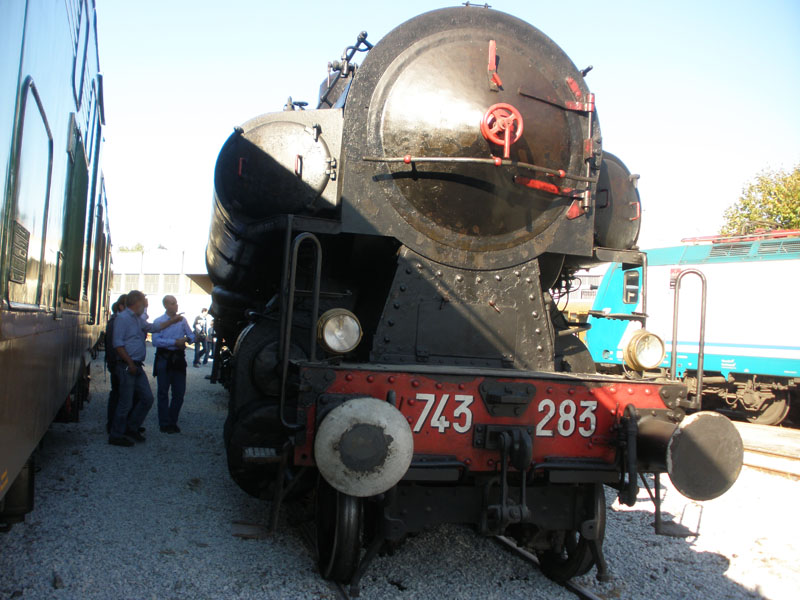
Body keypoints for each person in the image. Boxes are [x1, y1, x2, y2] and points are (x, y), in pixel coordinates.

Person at [109, 290, 182, 447]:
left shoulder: (136, 318)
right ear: (137, 303)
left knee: (147, 398)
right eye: (144, 303)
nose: (146, 306)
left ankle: (131, 428)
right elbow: (118, 344)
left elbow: (152, 328)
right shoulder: (123, 319)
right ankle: (116, 434)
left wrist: (172, 321)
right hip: (128, 366)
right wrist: (129, 363)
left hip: (136, 365)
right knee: (125, 402)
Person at [152, 295, 194, 433]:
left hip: (178, 359)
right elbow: (156, 341)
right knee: (163, 392)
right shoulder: (159, 321)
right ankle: (164, 423)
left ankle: (172, 420)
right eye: (172, 303)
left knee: (179, 393)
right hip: (164, 358)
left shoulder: (182, 321)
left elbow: (191, 336)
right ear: (165, 305)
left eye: (176, 303)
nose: (176, 306)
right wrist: (174, 342)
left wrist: (187, 339)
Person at [105, 294, 128, 433]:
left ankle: (116, 424)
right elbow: (113, 345)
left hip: (117, 362)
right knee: (118, 394)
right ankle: (113, 425)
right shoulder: (116, 321)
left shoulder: (117, 320)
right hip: (117, 363)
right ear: (121, 306)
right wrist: (114, 364)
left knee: (119, 394)